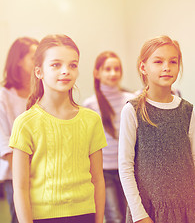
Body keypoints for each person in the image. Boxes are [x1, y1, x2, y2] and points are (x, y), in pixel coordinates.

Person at [118, 35, 195, 223]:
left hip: (188, 208)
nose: (166, 67)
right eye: (158, 61)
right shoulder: (132, 110)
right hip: (151, 211)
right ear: (143, 67)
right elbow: (125, 167)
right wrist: (139, 215)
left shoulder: (185, 109)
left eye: (173, 62)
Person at [9, 34, 107, 223]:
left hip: (85, 215)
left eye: (73, 65)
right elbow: (20, 188)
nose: (65, 71)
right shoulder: (25, 123)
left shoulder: (91, 120)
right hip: (42, 218)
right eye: (56, 65)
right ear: (39, 71)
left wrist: (99, 220)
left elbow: (98, 180)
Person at [83, 51, 135, 223]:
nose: (113, 73)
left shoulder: (132, 99)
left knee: (132, 215)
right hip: (104, 171)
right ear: (96, 73)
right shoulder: (90, 105)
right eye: (107, 69)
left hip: (128, 168)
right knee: (115, 217)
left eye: (117, 69)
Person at [0, 37, 38, 223]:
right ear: (19, 61)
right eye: (33, 57)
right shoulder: (3, 96)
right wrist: (25, 173)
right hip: (15, 176)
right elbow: (3, 141)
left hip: (43, 174)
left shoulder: (42, 93)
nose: (38, 62)